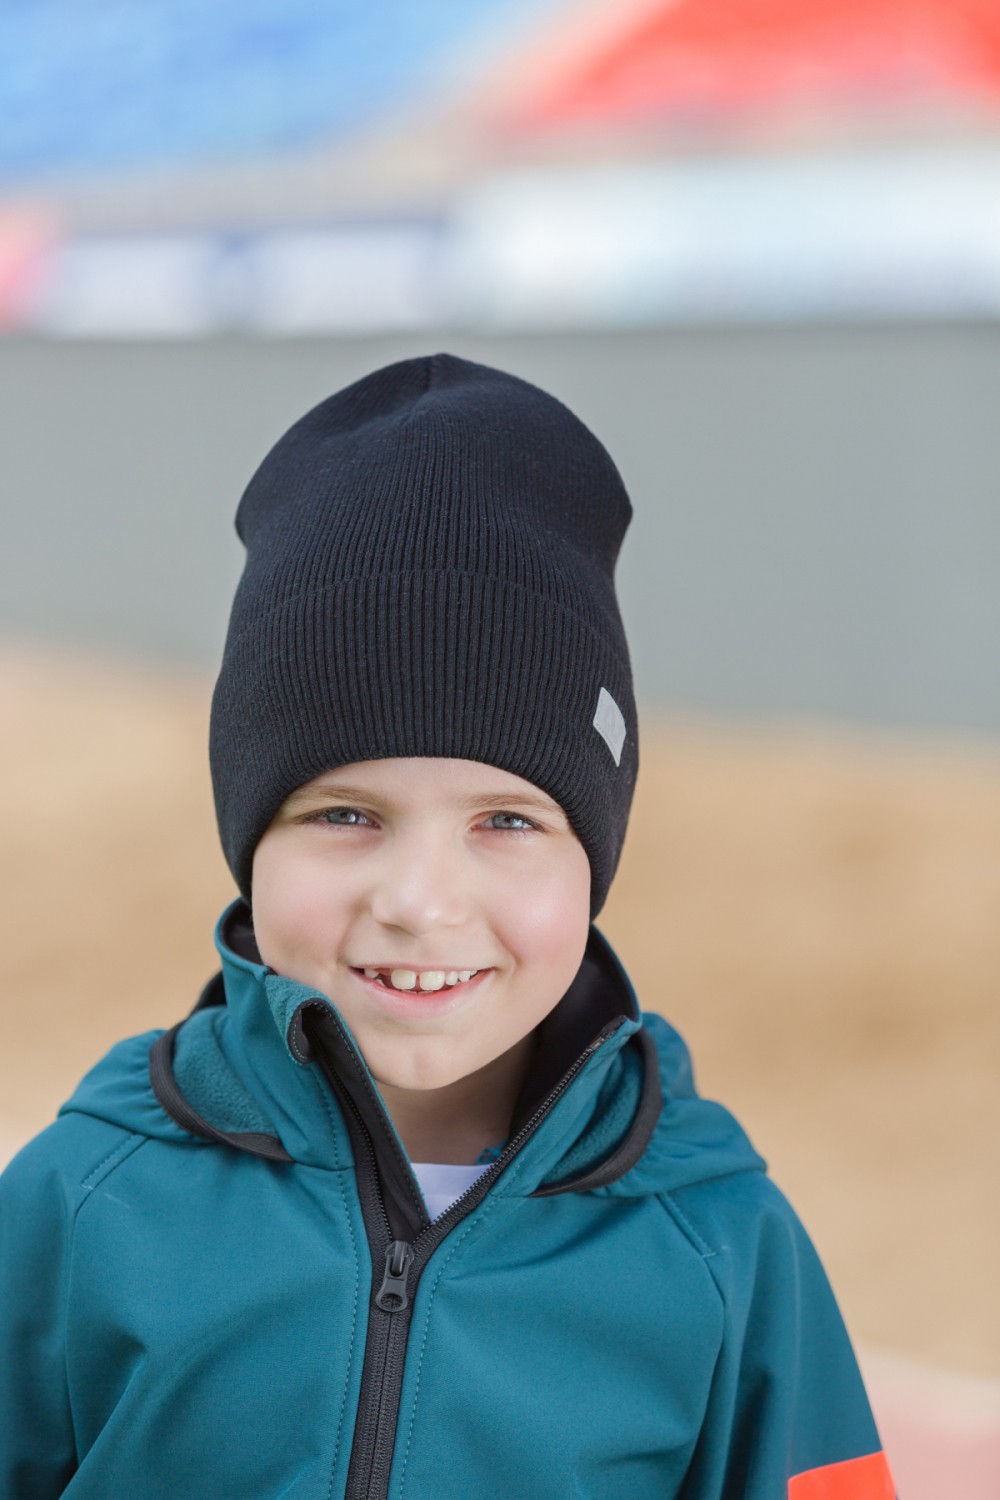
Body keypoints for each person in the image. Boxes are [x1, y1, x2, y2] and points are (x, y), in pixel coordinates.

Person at [0, 354, 896, 1498]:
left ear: (593, 857)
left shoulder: (719, 1240)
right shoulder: (84, 1198)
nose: (421, 902)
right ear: (248, 843)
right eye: (344, 814)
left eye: (506, 821)